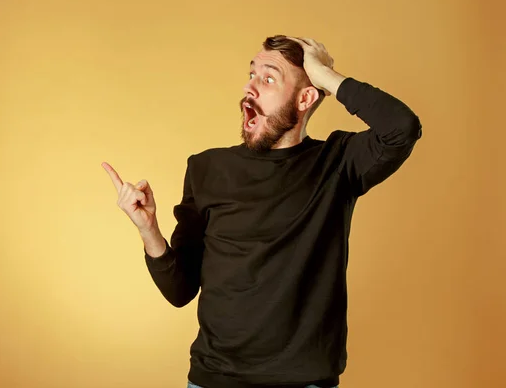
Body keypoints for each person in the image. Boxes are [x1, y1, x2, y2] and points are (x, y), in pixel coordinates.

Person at [103, 35, 422, 388]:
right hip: (215, 379)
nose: (249, 87)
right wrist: (148, 229)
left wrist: (325, 75)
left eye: (268, 78)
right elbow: (180, 291)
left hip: (305, 382)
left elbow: (401, 128)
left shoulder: (338, 163)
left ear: (305, 97)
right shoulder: (207, 168)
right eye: (251, 74)